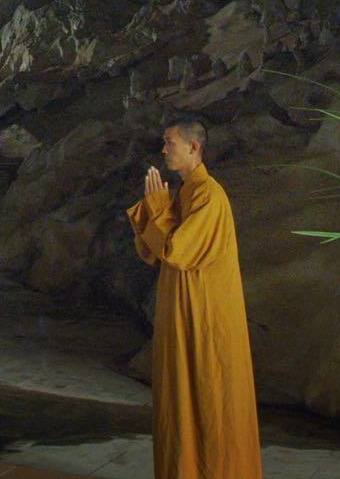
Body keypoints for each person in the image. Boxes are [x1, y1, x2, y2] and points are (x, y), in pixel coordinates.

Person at [126, 121, 263, 478]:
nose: (164, 150)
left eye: (170, 143)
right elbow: (152, 250)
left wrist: (157, 207)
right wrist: (158, 207)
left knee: (208, 399)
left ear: (193, 148)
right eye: (163, 143)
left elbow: (175, 249)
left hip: (204, 319)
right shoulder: (187, 192)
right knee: (181, 400)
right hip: (184, 315)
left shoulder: (209, 195)